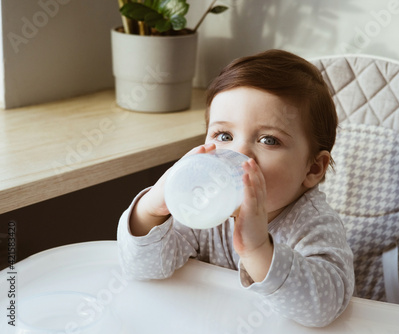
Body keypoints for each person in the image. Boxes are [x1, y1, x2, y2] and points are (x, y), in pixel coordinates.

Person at [117, 49, 354, 327]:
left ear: (313, 168)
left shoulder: (313, 224)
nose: (239, 153)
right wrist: (152, 208)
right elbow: (143, 269)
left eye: (269, 140)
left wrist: (257, 249)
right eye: (224, 135)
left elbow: (322, 309)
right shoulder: (204, 210)